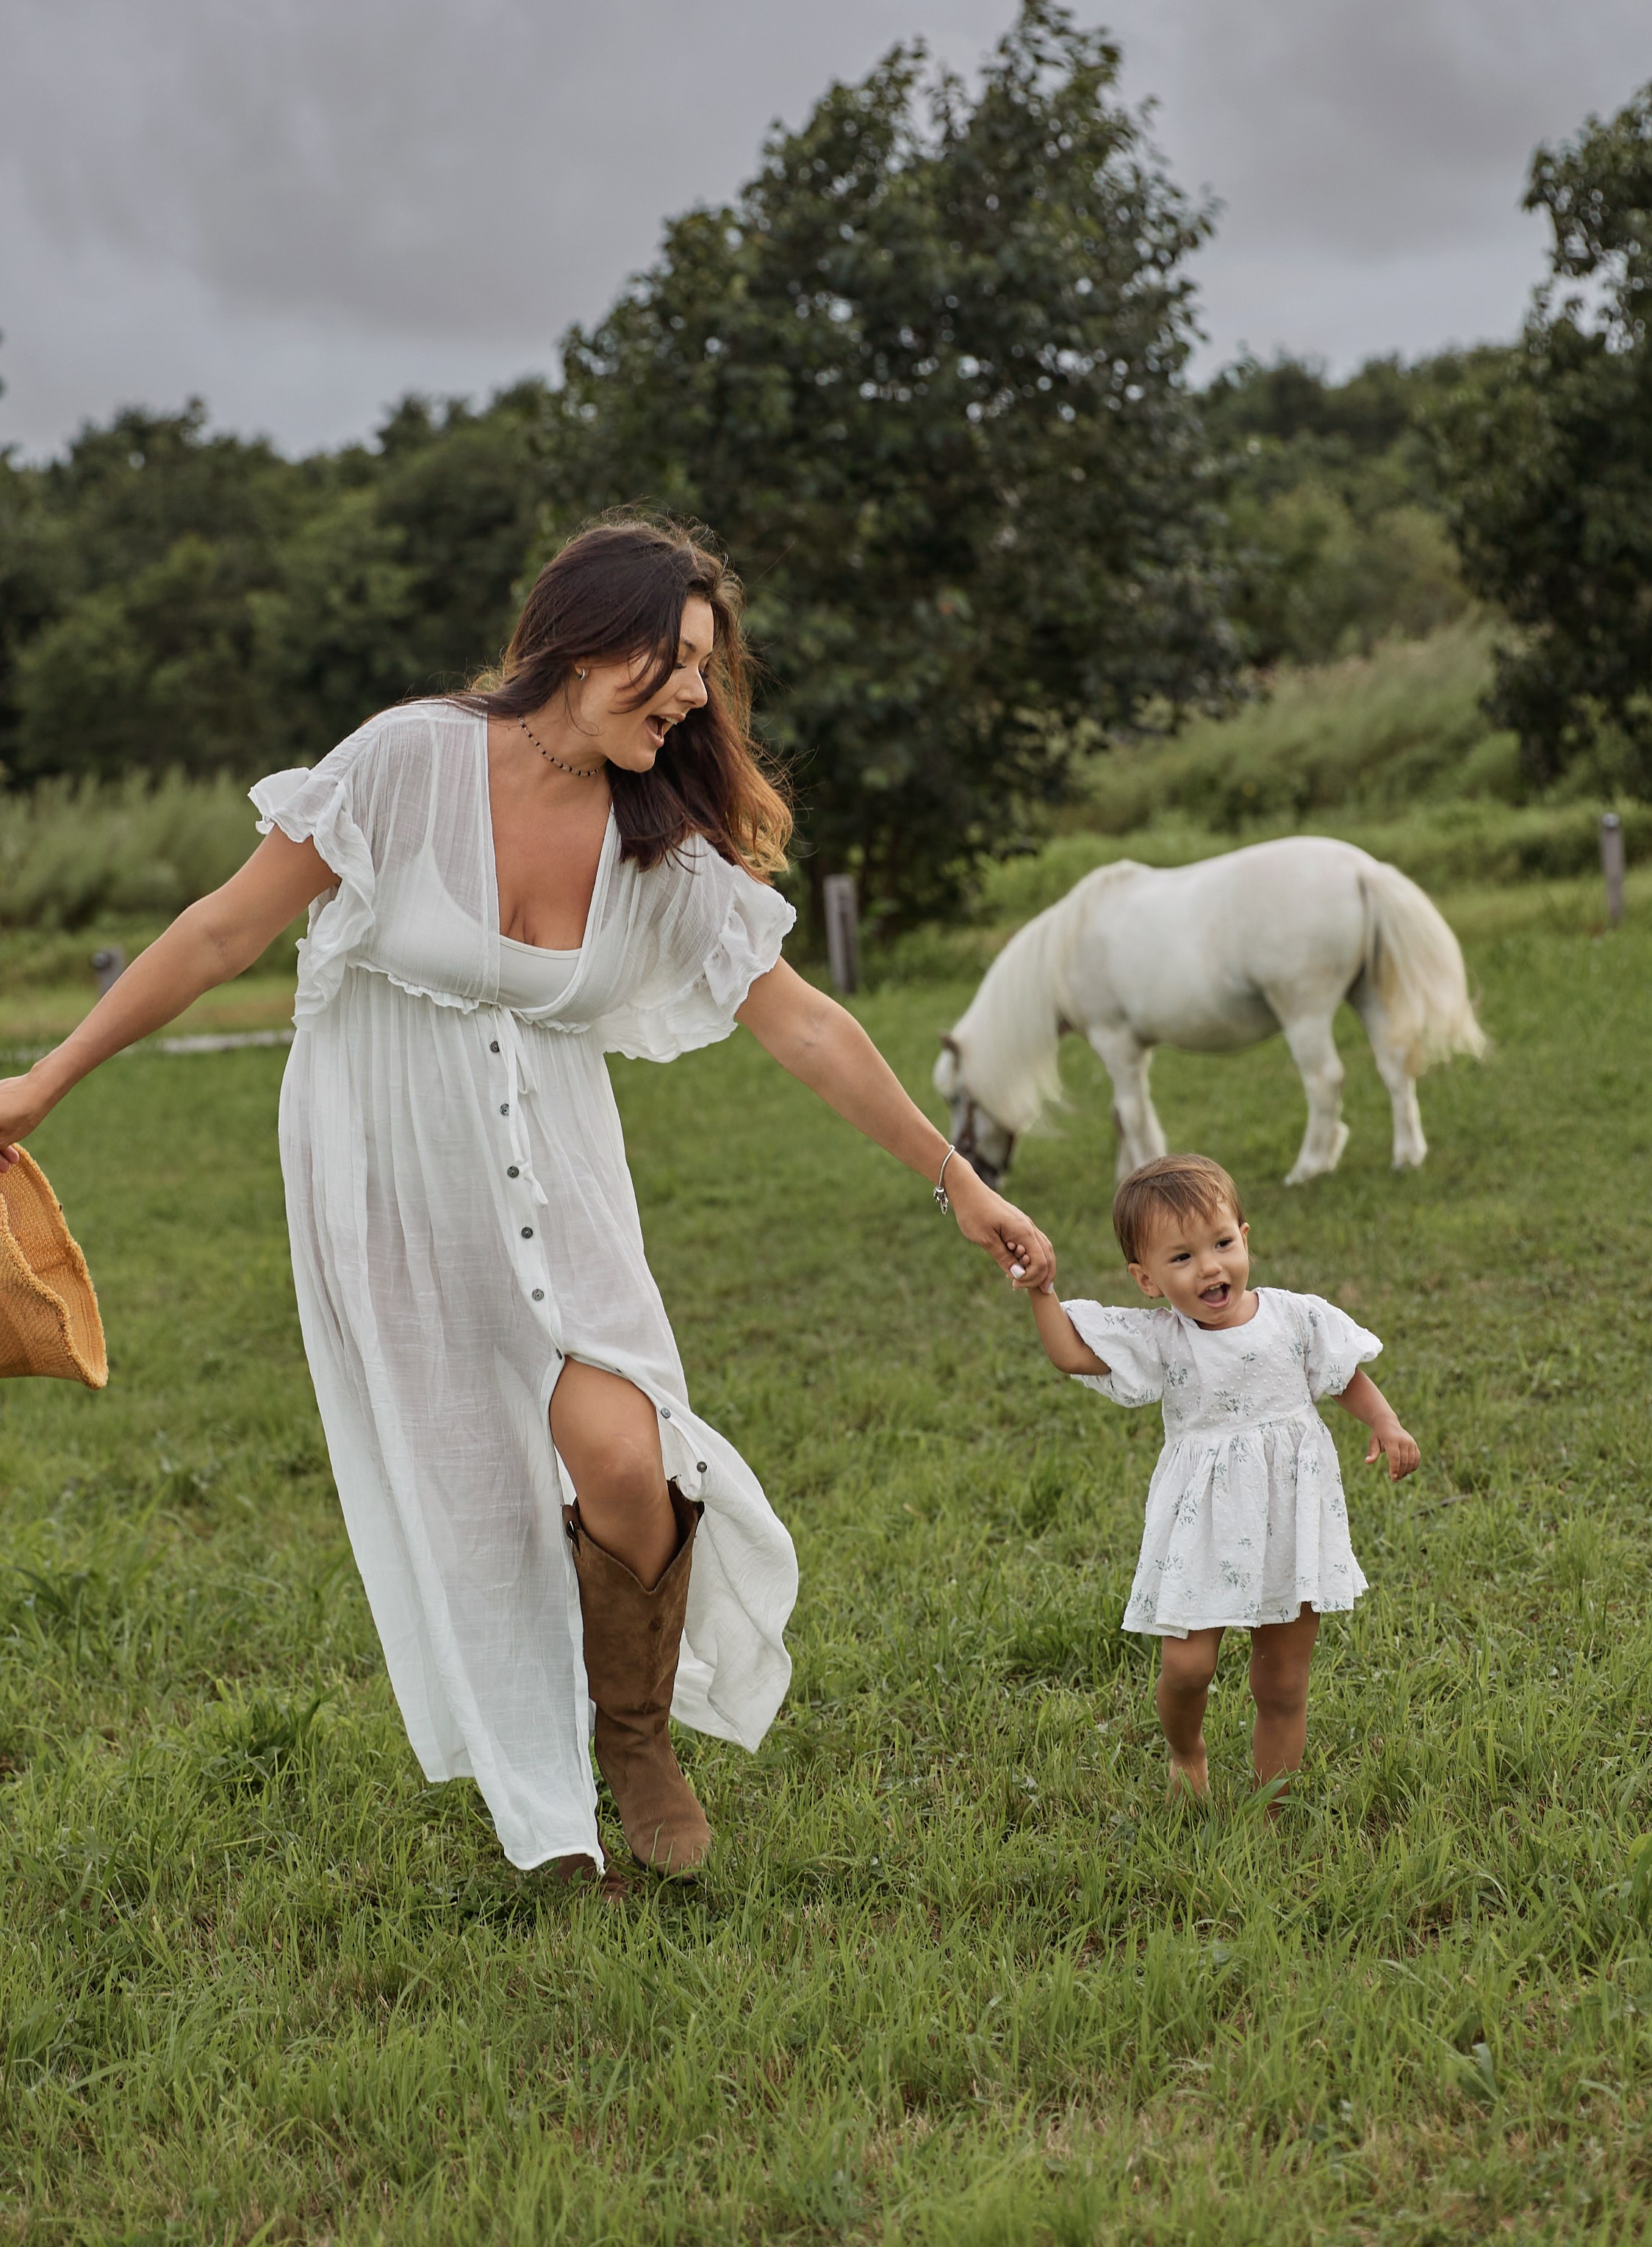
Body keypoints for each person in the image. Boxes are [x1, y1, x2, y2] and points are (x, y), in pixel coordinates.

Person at [0, 517, 1055, 1880]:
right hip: (387, 1176)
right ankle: (541, 1796)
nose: (690, 695)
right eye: (671, 662)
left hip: (561, 1185)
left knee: (623, 1456)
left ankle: (632, 1735)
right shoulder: (402, 761)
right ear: (583, 637)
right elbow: (223, 928)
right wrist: (47, 1077)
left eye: (701, 671)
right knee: (471, 1488)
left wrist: (953, 1176)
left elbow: (802, 1025)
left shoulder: (658, 841)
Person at [1019, 1152, 1417, 1800]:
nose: (1209, 1266)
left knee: (1282, 1682)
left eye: (1222, 1243)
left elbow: (1342, 1375)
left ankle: (1269, 1809)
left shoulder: (1295, 1317)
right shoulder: (1164, 1337)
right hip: (1204, 1519)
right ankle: (1186, 1751)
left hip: (1288, 1512)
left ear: (1245, 1237)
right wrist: (1042, 1289)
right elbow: (1069, 1352)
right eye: (1181, 1258)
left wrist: (1387, 1423)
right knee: (1186, 1665)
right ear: (1145, 1280)